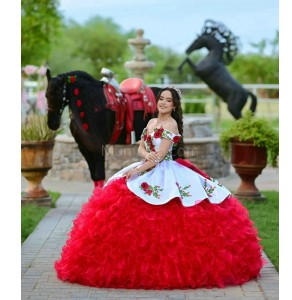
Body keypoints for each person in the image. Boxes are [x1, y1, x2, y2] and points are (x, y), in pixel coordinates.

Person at [54, 87, 265, 289]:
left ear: (174, 106)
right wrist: (144, 157)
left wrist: (140, 169)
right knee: (120, 199)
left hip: (165, 170)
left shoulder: (171, 125)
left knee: (170, 206)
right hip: (148, 163)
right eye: (161, 99)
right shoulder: (152, 121)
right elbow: (141, 146)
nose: (163, 103)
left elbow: (161, 156)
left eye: (168, 100)